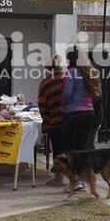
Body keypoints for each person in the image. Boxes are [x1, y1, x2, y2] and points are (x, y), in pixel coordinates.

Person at [62, 47, 100, 152]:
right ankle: (86, 168)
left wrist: (62, 105)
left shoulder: (71, 72)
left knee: (71, 147)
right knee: (84, 147)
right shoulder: (91, 72)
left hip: (73, 113)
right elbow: (97, 94)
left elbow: (67, 93)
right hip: (88, 114)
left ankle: (74, 168)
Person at [38, 55, 65, 186]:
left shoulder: (45, 84)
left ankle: (58, 178)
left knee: (58, 151)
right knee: (72, 149)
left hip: (55, 122)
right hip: (70, 120)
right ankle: (74, 177)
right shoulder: (69, 79)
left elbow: (42, 106)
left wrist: (47, 121)